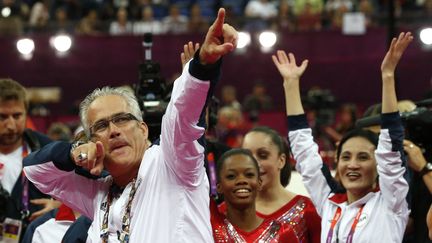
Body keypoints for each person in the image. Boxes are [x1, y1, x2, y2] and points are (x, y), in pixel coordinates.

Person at [23, 8, 238, 242]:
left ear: (143, 129)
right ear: (93, 143)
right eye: (102, 126)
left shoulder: (171, 164)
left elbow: (182, 117)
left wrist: (202, 66)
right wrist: (74, 152)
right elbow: (34, 170)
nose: (114, 130)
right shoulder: (97, 192)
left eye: (122, 119)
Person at [274, 32, 412, 242]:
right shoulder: (329, 203)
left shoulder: (391, 203)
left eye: (363, 157)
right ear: (337, 162)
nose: (353, 164)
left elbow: (391, 151)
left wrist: (388, 76)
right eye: (346, 157)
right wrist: (291, 86)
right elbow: (305, 155)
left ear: (378, 166)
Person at [241, 126, 321, 242]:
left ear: (281, 160)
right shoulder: (227, 211)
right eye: (247, 156)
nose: (253, 163)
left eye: (263, 155)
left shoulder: (307, 210)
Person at [0, 78, 57, 241]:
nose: (11, 125)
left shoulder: (47, 149)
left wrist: (59, 206)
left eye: (17, 116)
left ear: (26, 113)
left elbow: (83, 191)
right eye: (2, 117)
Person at [211, 148, 293, 242]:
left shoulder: (283, 232)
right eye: (231, 176)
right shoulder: (210, 229)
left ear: (259, 183)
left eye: (249, 175)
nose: (242, 180)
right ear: (219, 187)